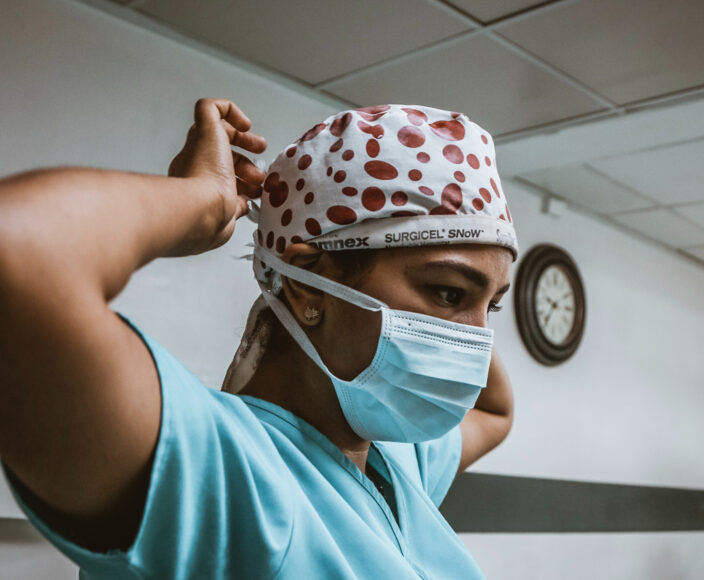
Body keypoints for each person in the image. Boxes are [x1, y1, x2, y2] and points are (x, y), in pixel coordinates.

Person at [0, 99, 518, 579]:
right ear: (302, 285)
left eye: (491, 306)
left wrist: (469, 275)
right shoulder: (224, 479)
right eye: (447, 292)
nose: (475, 342)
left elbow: (495, 411)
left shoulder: (396, 462)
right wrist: (203, 201)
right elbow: (18, 249)